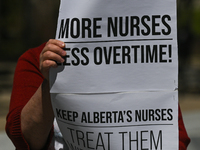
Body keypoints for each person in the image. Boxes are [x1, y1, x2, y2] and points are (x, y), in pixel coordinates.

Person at [6, 39, 190, 150]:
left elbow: (174, 137)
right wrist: (50, 81)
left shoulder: (145, 59)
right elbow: (25, 139)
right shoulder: (36, 59)